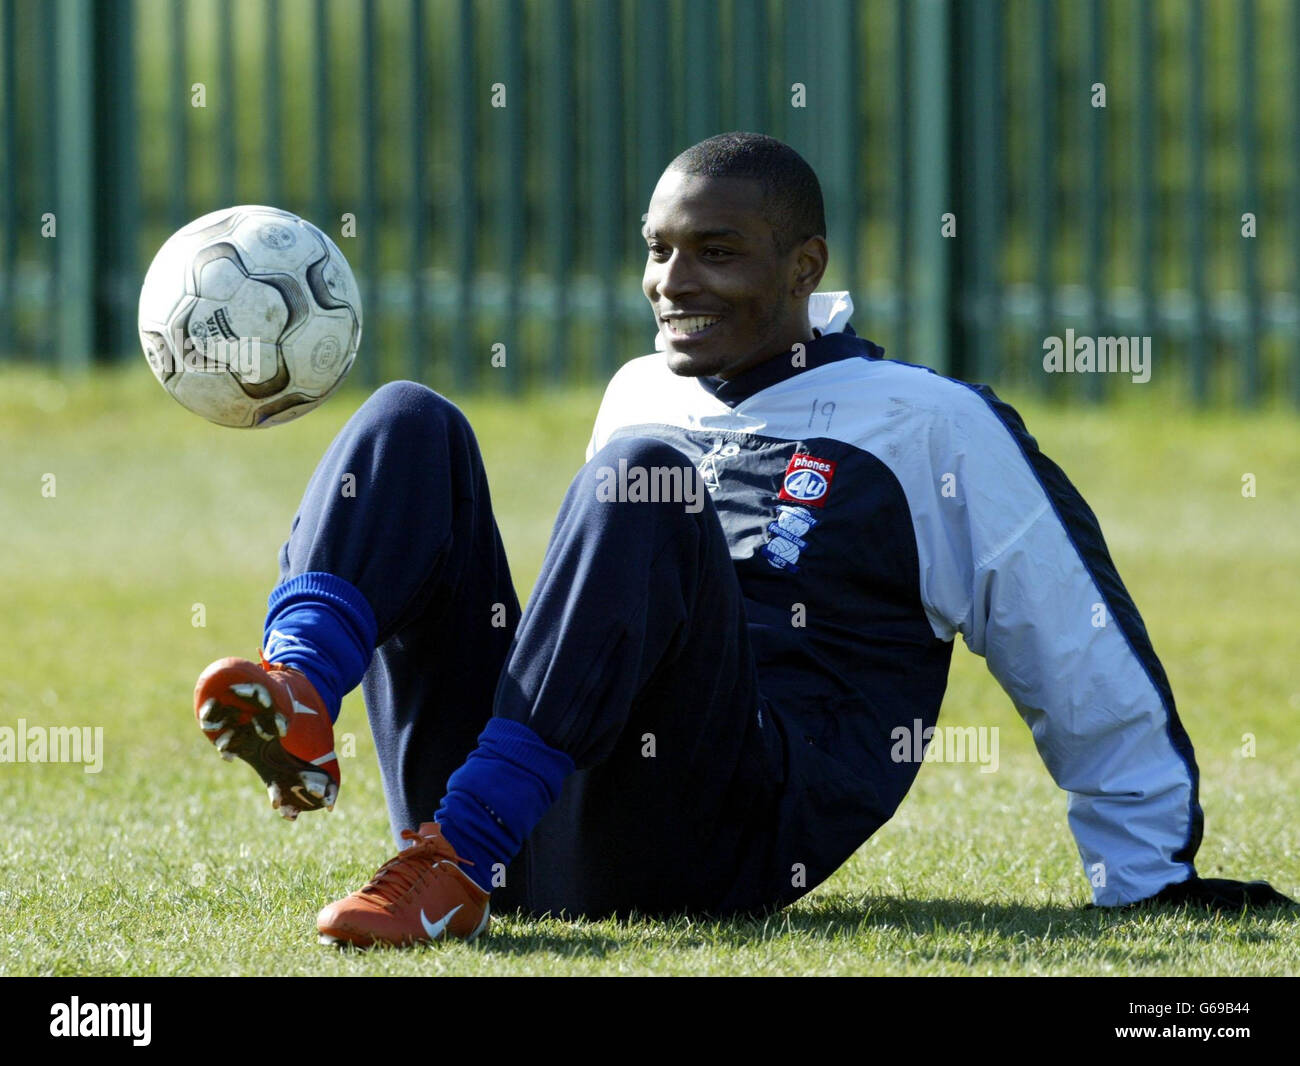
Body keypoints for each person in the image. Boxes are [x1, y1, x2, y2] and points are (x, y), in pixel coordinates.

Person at [193, 132, 1292, 947]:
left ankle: (451, 858)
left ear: (804, 266)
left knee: (642, 481)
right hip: (543, 806)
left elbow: (1074, 636)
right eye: (659, 252)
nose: (675, 283)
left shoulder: (926, 421)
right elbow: (595, 621)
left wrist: (1148, 868)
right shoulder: (638, 392)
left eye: (716, 252)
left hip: (719, 830)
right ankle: (299, 692)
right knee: (406, 419)